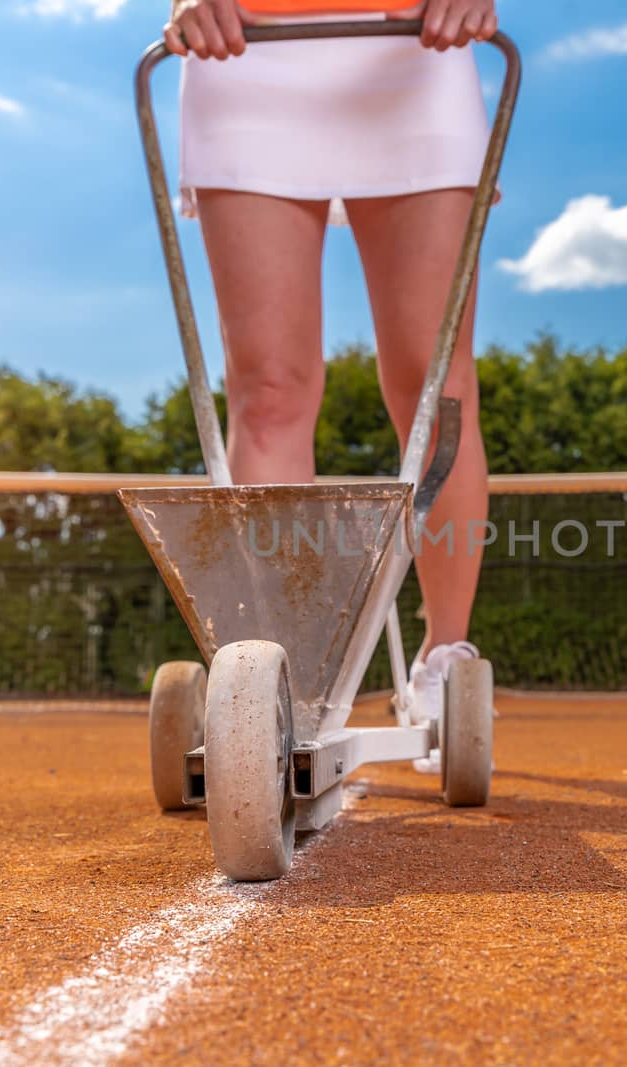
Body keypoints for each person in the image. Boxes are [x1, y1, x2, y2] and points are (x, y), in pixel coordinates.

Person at [164, 0, 497, 771]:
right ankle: (283, 675)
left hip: (416, 48)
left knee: (435, 386)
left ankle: (445, 658)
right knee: (268, 387)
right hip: (242, 52)